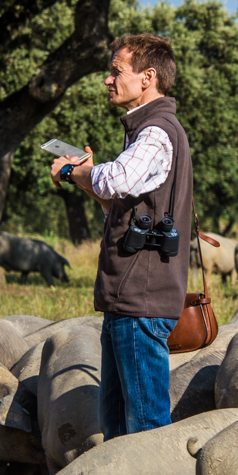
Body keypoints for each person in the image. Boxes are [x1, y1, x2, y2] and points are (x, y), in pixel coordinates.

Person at [50, 34, 193, 439]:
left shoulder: (155, 131)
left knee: (145, 430)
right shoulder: (147, 131)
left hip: (140, 300)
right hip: (129, 300)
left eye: (116, 72)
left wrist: (72, 171)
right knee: (116, 429)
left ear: (147, 77)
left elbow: (116, 179)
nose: (108, 81)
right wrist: (84, 178)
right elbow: (117, 204)